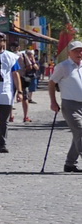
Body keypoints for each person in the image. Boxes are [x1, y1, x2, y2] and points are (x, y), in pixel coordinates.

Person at [49, 38, 82, 172]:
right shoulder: (63, 67)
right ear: (69, 53)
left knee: (77, 135)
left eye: (81, 51)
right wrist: (53, 101)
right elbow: (52, 83)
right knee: (80, 130)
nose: (79, 53)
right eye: (76, 51)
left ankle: (69, 164)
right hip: (70, 105)